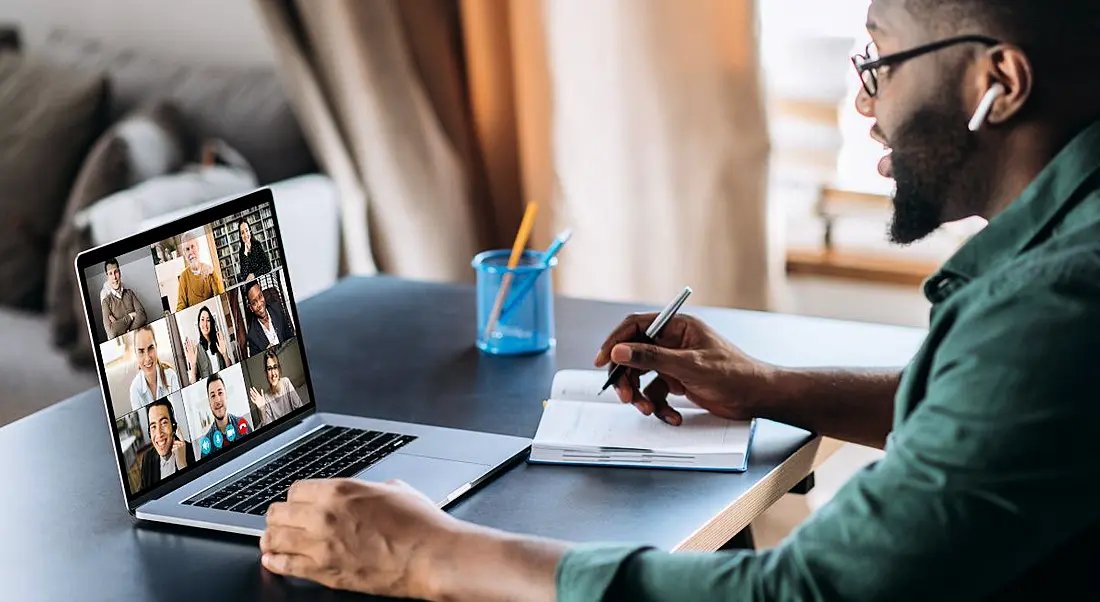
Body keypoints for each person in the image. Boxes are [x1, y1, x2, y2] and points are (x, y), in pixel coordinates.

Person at [257, 1, 1100, 599]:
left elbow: (808, 592)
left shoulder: (1054, 310)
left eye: (879, 60)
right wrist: (769, 387)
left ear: (1001, 82)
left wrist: (430, 555)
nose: (863, 104)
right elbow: (993, 410)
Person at [138, 398, 195, 492]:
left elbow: (195, 491)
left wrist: (182, 465)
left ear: (173, 426)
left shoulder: (191, 451)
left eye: (164, 423)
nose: (159, 433)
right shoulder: (147, 458)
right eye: (153, 426)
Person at [128, 325, 181, 411]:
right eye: (141, 351)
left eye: (150, 348)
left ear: (156, 346)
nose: (147, 358)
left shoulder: (170, 376)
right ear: (135, 353)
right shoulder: (135, 389)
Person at [249, 349, 304, 426]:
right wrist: (262, 410)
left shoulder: (286, 382)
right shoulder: (266, 398)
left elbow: (300, 407)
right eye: (269, 369)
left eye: (275, 367)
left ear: (279, 369)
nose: (273, 373)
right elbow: (268, 428)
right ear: (266, 373)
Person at [200, 373, 248, 457]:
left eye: (220, 393)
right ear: (209, 402)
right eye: (213, 396)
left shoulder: (242, 424)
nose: (217, 400)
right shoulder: (207, 443)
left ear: (226, 395)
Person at [176, 228, 224, 311]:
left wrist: (213, 273)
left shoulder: (209, 270)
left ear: (198, 247)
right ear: (184, 254)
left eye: (192, 247)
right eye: (187, 249)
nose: (191, 252)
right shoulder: (183, 277)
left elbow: (220, 297)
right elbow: (181, 306)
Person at [244, 280, 294, 356]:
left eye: (260, 296)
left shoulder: (277, 309)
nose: (260, 304)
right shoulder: (252, 336)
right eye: (254, 303)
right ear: (251, 308)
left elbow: (290, 337)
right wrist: (266, 353)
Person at [100, 257, 147, 339]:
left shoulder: (130, 293)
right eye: (110, 273)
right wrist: (131, 316)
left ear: (120, 272)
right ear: (107, 277)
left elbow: (142, 316)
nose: (114, 277)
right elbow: (111, 332)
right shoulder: (106, 302)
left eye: (116, 272)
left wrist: (126, 329)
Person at [185, 306, 230, 383]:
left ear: (211, 323)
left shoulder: (218, 343)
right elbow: (193, 383)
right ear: (199, 324)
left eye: (208, 320)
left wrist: (225, 355)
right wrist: (193, 365)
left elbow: (229, 368)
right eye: (202, 320)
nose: (205, 324)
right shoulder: (196, 351)